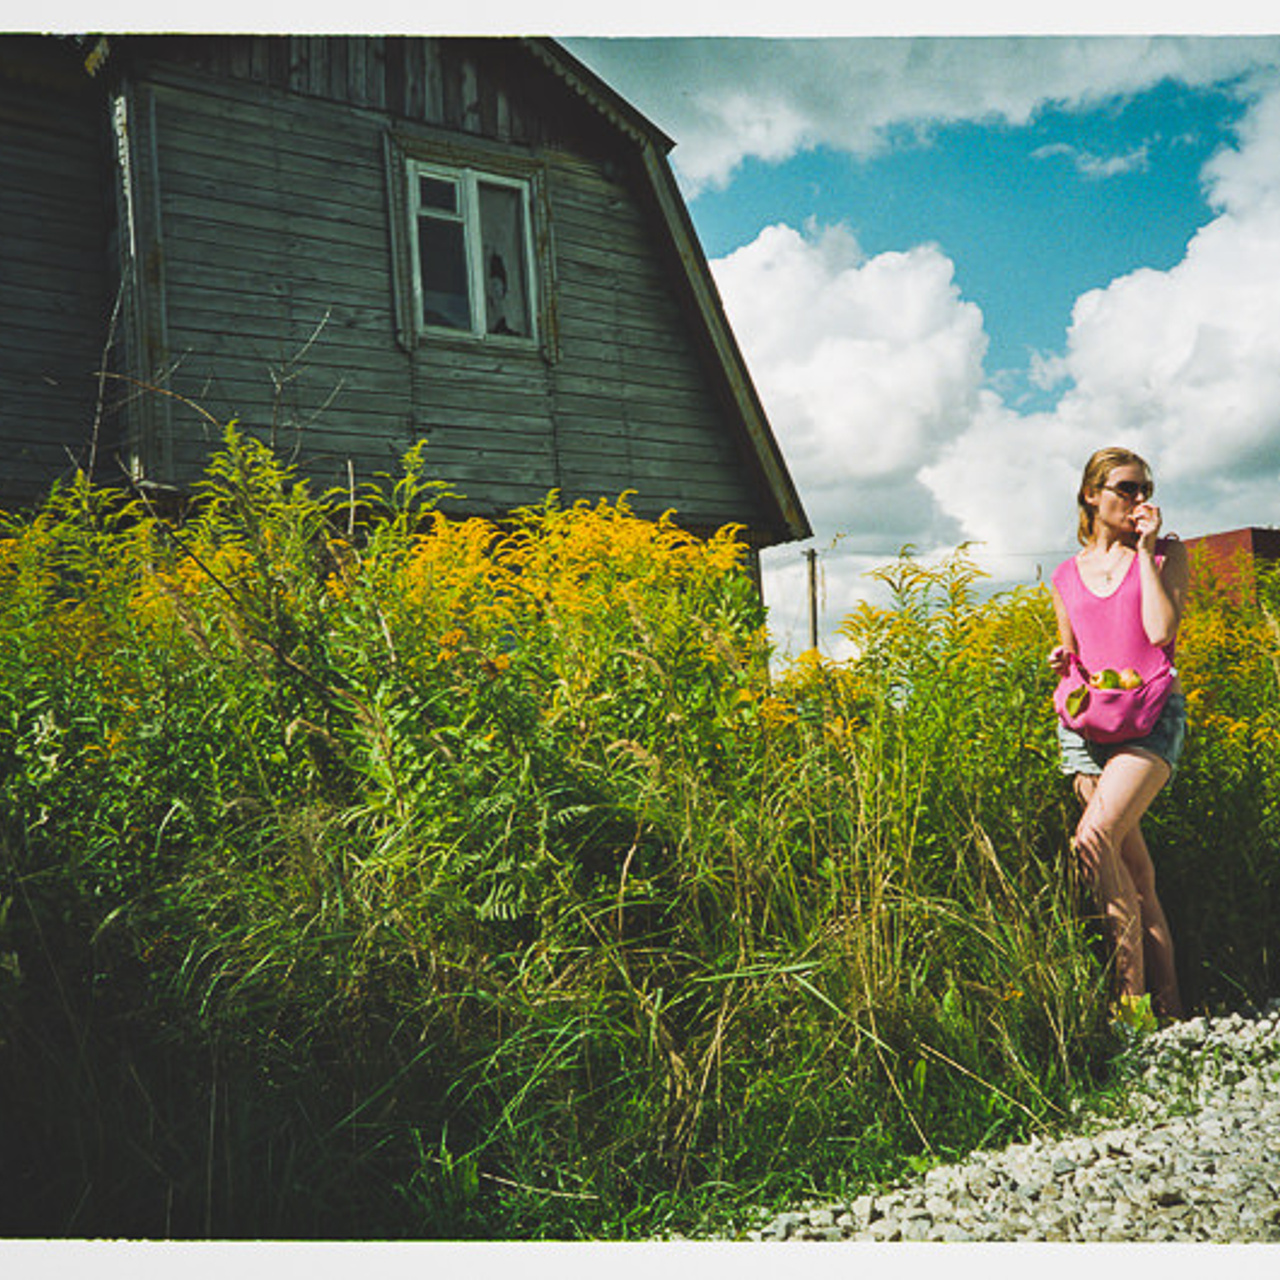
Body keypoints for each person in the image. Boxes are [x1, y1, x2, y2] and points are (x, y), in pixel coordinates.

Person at [1048, 446, 1188, 1020]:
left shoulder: (1166, 555)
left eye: (1145, 488)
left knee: (1092, 841)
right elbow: (1074, 654)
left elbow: (1159, 631)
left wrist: (1148, 549)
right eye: (1126, 488)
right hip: (1086, 729)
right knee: (1134, 874)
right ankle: (1173, 1015)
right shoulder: (1064, 574)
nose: (1138, 499)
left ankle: (1131, 1013)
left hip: (1152, 720)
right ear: (1092, 494)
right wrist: (1063, 663)